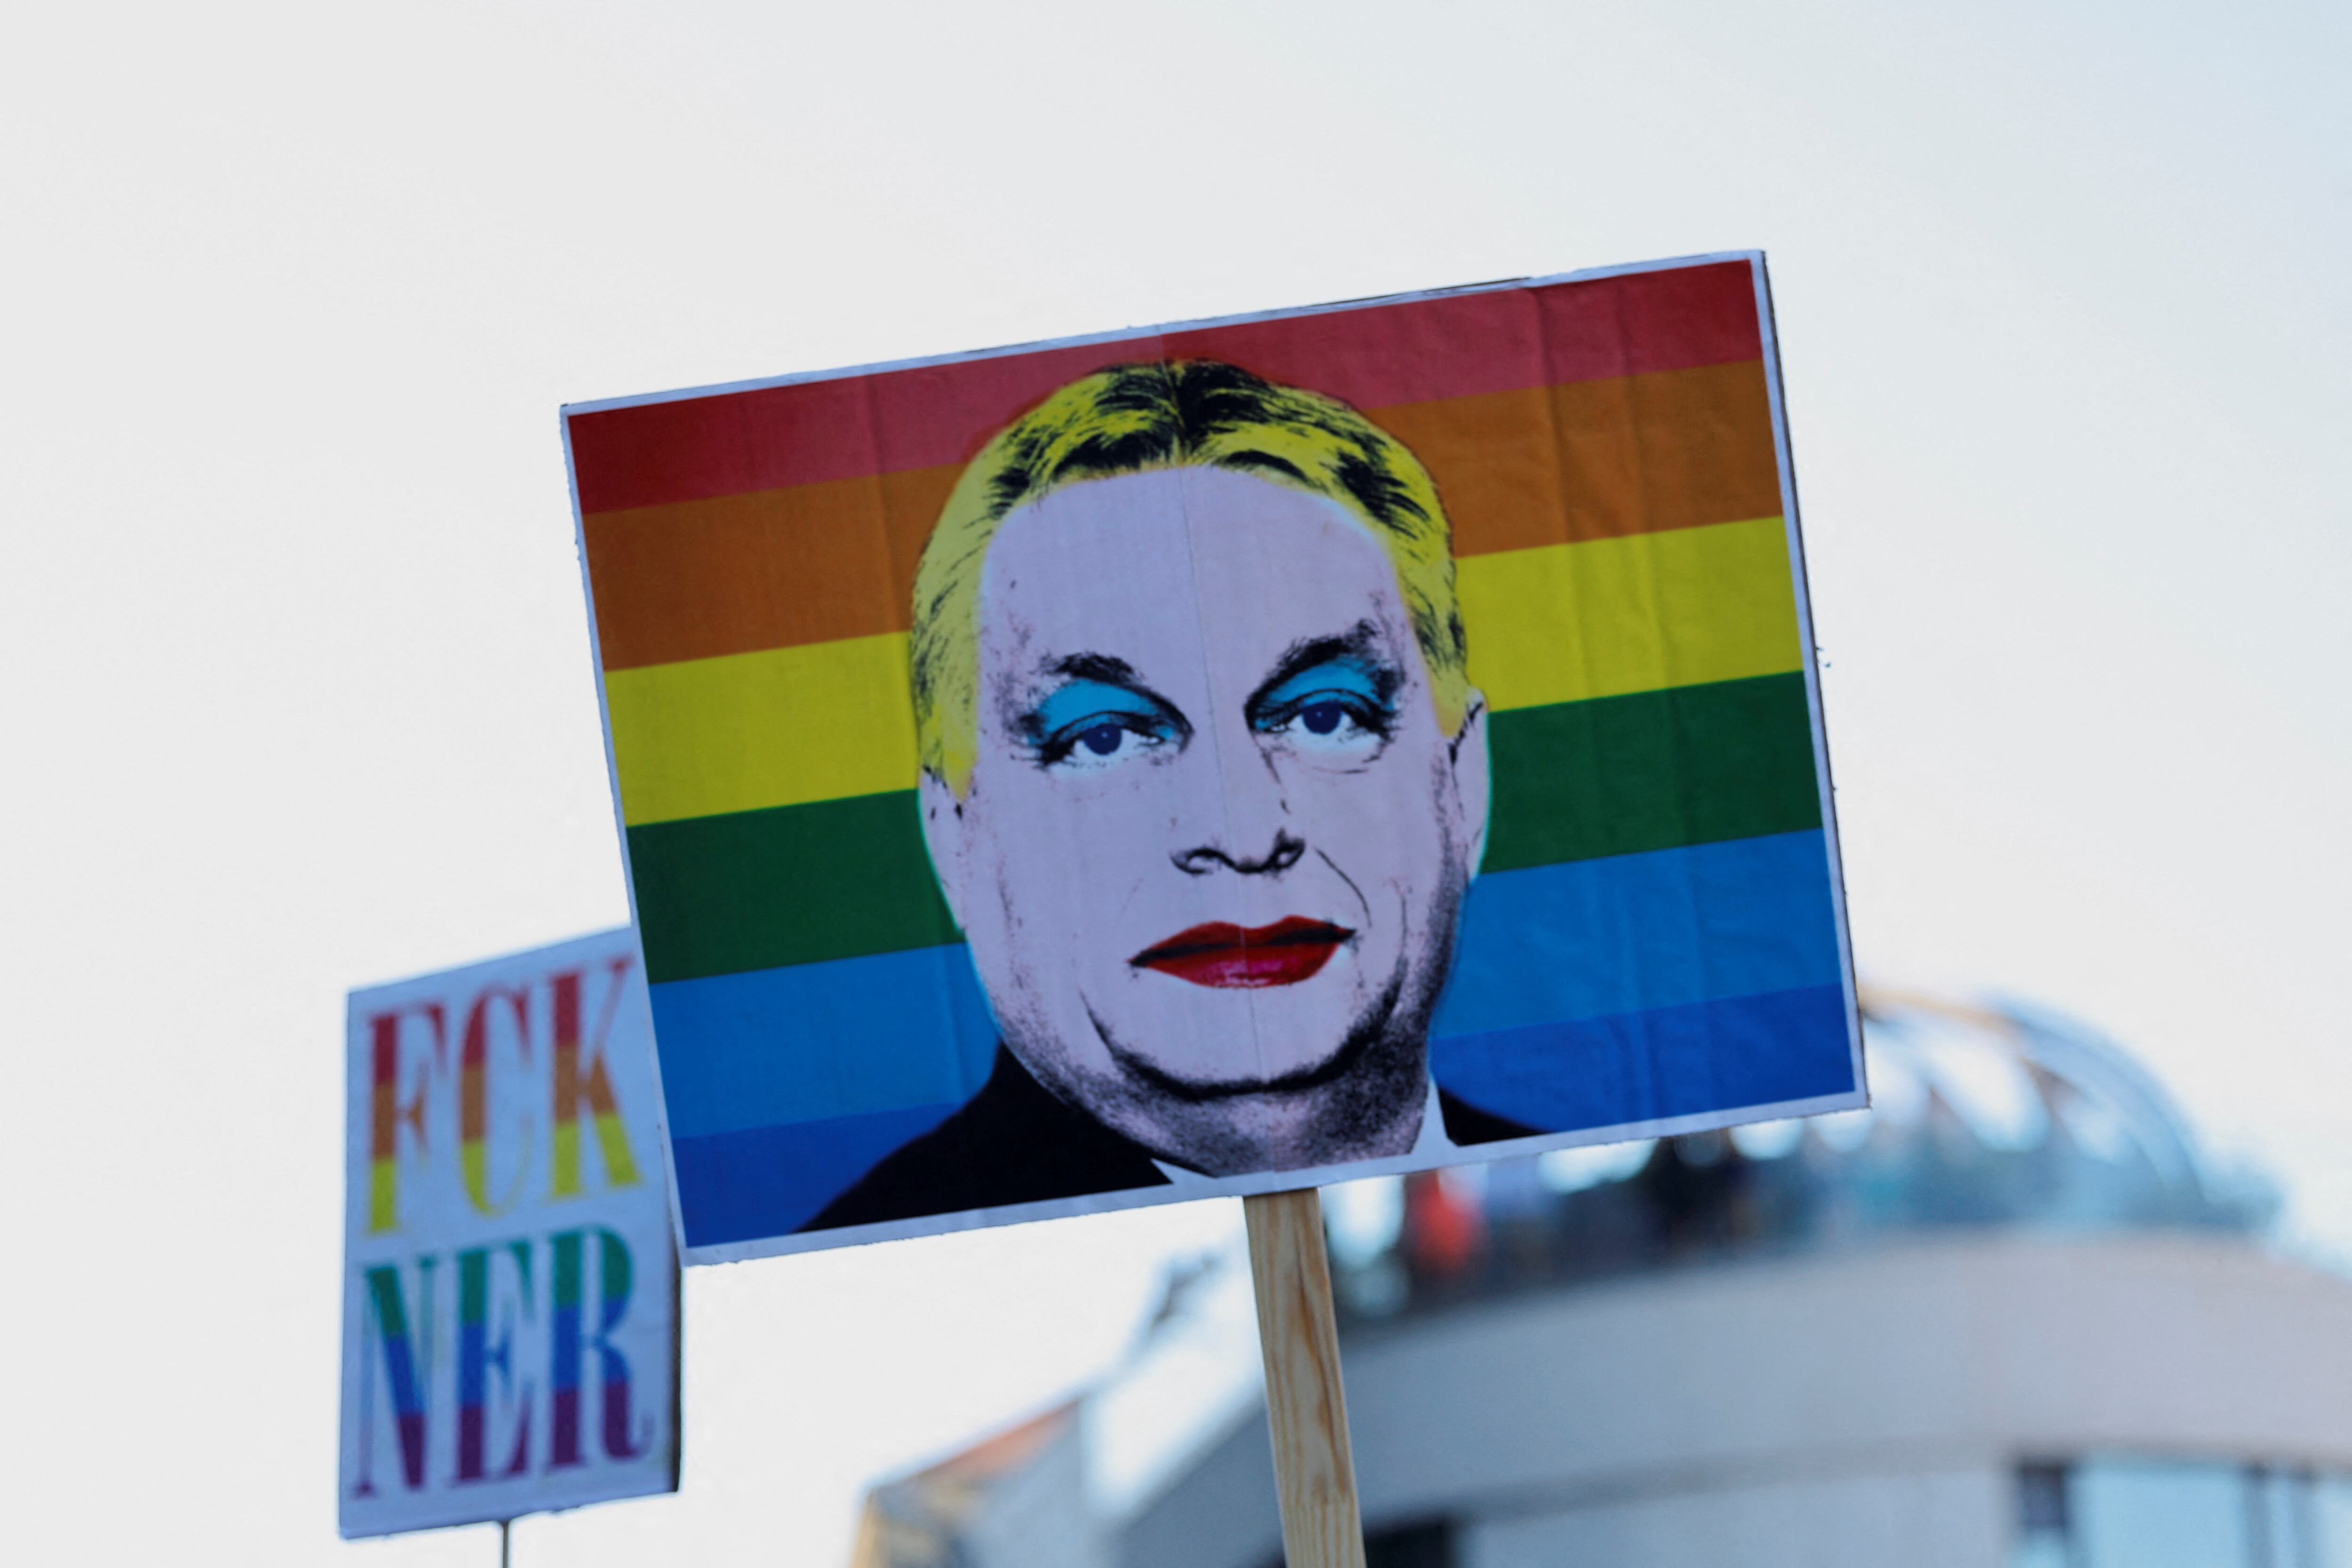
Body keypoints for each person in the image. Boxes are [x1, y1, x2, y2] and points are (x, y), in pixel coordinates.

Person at [810, 360, 1532, 1230]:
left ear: (1466, 783)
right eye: (1103, 737)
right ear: (955, 841)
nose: (1241, 829)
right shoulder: (903, 1247)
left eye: (1325, 714)